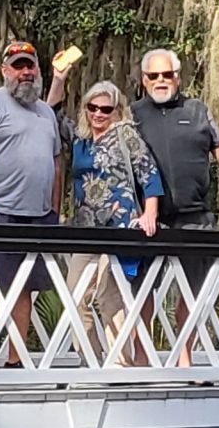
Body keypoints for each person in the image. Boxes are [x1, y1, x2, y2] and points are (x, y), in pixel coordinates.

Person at [129, 49, 219, 360]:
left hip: (193, 214)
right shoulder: (131, 114)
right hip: (149, 216)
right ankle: (142, 360)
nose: (161, 81)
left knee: (193, 291)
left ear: (178, 77)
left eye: (167, 75)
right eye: (154, 76)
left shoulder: (197, 110)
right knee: (143, 291)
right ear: (144, 81)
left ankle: (184, 357)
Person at [0, 40, 62, 355]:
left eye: (30, 65)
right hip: (0, 212)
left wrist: (55, 209)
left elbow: (56, 162)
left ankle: (15, 358)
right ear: (5, 70)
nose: (25, 72)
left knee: (25, 289)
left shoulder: (46, 112)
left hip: (39, 215)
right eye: (18, 66)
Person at [67, 82, 162, 361]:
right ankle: (90, 359)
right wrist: (60, 80)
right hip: (85, 229)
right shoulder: (80, 140)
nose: (98, 113)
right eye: (92, 107)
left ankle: (120, 364)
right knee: (75, 297)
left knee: (110, 299)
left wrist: (150, 213)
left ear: (117, 111)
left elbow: (149, 173)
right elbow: (51, 113)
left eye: (105, 109)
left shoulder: (125, 135)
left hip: (118, 228)